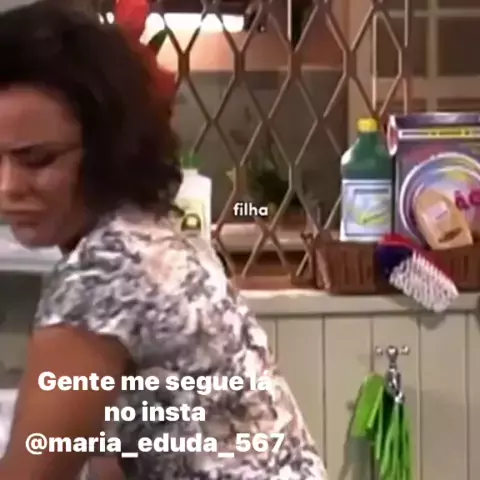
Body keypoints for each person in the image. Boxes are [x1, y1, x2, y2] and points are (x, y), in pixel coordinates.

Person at [0, 1, 328, 479]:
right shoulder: (149, 238)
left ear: (107, 149)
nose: (7, 186)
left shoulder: (105, 276)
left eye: (37, 160)